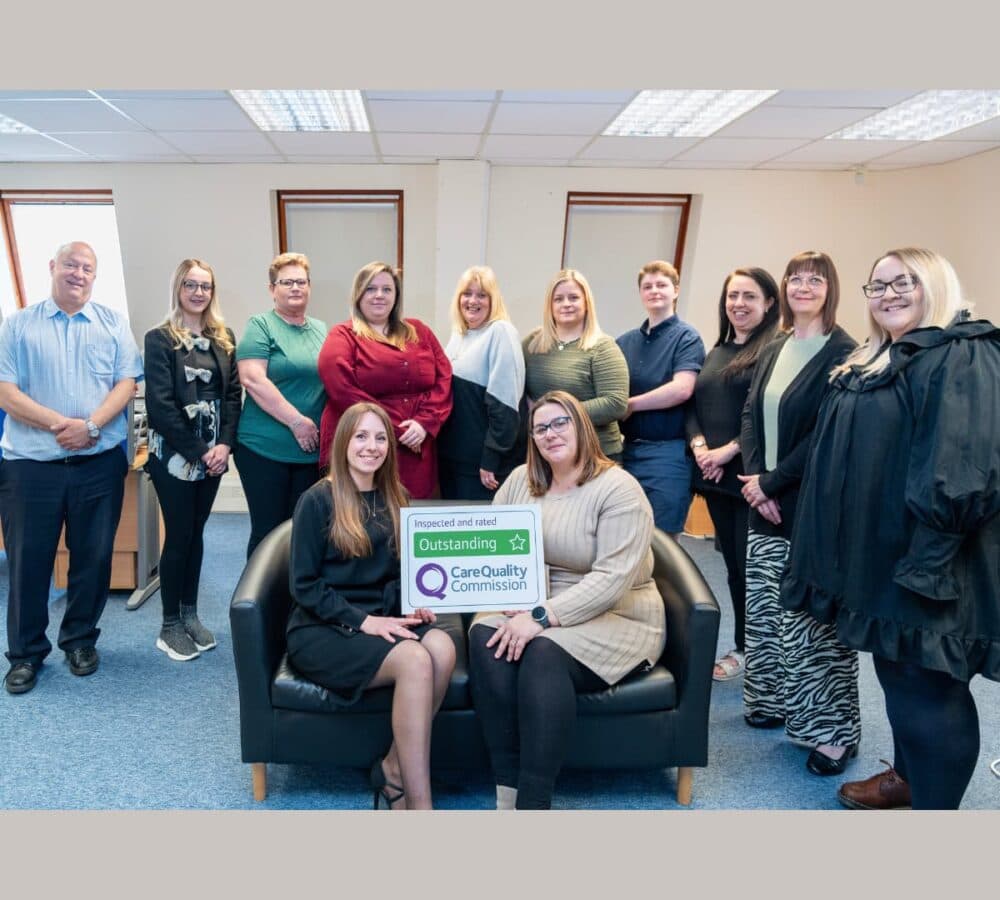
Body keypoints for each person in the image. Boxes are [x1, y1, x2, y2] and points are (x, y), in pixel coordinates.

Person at [782, 248, 999, 809]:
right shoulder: (876, 357)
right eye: (877, 285)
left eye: (905, 282)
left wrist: (927, 565)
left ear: (938, 284)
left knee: (926, 691)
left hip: (929, 562)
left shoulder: (961, 354)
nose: (889, 294)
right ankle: (906, 778)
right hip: (878, 561)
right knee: (897, 678)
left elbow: (962, 470)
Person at [468, 390, 665, 809]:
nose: (550, 434)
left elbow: (612, 580)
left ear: (582, 427)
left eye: (561, 423)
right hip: (532, 595)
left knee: (542, 651)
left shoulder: (619, 489)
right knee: (487, 635)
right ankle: (507, 789)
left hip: (616, 611)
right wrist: (509, 598)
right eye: (541, 427)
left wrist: (541, 616)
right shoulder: (521, 480)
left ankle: (534, 801)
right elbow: (496, 544)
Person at [286, 401, 456, 810]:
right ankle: (420, 804)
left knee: (443, 649)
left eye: (380, 437)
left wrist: (414, 605)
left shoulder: (395, 497)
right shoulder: (317, 500)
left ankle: (393, 768)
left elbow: (396, 574)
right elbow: (304, 585)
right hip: (323, 627)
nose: (372, 446)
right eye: (361, 436)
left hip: (381, 617)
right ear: (344, 442)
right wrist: (363, 622)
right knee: (415, 660)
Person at [0, 241, 143, 694]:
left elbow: (126, 383)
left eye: (87, 268)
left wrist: (92, 426)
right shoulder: (18, 326)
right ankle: (25, 653)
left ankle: (80, 639)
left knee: (94, 557)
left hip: (97, 463)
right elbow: (5, 391)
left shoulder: (112, 323)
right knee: (28, 561)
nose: (79, 274)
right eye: (71, 265)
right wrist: (60, 424)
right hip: (31, 467)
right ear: (52, 268)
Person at [738, 250, 859, 775]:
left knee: (810, 623)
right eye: (795, 278)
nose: (803, 286)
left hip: (810, 507)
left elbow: (824, 436)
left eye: (815, 279)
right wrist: (754, 482)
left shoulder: (846, 352)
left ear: (830, 288)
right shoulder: (777, 344)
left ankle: (833, 733)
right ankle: (771, 701)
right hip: (761, 500)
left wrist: (771, 481)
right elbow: (749, 412)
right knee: (766, 612)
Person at [143, 259, 241, 661]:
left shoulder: (224, 337)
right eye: (191, 285)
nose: (199, 292)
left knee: (197, 533)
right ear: (178, 288)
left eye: (205, 286)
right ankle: (169, 625)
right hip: (175, 454)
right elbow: (161, 406)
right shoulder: (159, 338)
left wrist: (225, 447)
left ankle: (190, 613)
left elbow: (233, 396)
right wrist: (201, 452)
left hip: (214, 453)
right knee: (179, 535)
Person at [686, 267, 779, 681]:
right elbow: (694, 405)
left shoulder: (773, 348)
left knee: (753, 569)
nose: (738, 304)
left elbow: (763, 413)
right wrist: (701, 446)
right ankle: (746, 647)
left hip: (750, 479)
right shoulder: (718, 349)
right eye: (732, 296)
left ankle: (757, 652)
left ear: (769, 303)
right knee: (734, 569)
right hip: (715, 479)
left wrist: (729, 451)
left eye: (749, 296)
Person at [317, 261, 452, 499]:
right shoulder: (343, 335)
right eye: (370, 289)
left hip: (418, 443)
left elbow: (444, 378)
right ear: (358, 294)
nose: (379, 295)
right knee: (365, 516)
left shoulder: (419, 330)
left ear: (396, 296)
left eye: (387, 289)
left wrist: (424, 423)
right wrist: (394, 428)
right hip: (365, 444)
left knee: (413, 514)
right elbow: (342, 388)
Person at [234, 252, 326, 559]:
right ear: (272, 289)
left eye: (301, 282)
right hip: (264, 449)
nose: (295, 288)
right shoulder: (261, 325)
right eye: (286, 282)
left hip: (309, 452)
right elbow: (252, 379)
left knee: (301, 530)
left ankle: (292, 604)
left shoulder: (321, 330)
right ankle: (254, 605)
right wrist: (297, 422)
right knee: (268, 531)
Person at [617, 260, 706, 537]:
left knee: (663, 542)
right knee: (624, 535)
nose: (654, 291)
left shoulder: (687, 338)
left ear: (675, 290)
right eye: (648, 286)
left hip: (668, 453)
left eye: (662, 285)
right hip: (626, 452)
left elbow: (682, 389)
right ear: (640, 293)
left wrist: (631, 405)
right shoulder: (624, 342)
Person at [437, 265, 525, 500]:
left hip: (481, 468)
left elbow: (506, 405)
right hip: (452, 460)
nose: (472, 301)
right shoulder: (460, 334)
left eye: (481, 295)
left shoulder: (501, 332)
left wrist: (491, 457)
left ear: (493, 300)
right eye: (467, 293)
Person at [523, 269, 628, 460]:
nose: (566, 304)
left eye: (573, 298)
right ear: (550, 305)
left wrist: (556, 415)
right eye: (559, 299)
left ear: (586, 303)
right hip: (547, 452)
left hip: (594, 453)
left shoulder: (603, 346)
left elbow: (615, 403)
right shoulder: (533, 343)